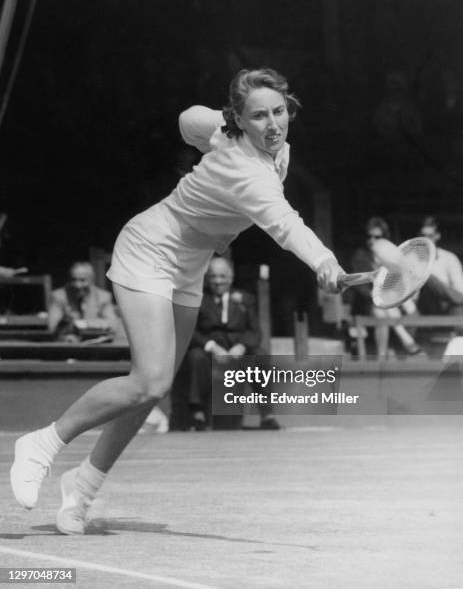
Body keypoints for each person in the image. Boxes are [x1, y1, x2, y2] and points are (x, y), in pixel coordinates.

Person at [10, 67, 343, 535]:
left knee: (155, 385)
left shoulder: (264, 148)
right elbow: (285, 224)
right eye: (258, 116)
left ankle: (81, 488)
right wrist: (324, 261)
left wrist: (205, 124)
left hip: (189, 266)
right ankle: (42, 443)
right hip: (148, 249)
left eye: (279, 111)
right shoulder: (248, 172)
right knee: (148, 380)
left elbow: (189, 122)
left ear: (289, 108)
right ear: (240, 120)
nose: (272, 124)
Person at [186, 255, 279, 430]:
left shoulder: (245, 298)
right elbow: (191, 331)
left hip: (238, 350)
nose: (218, 281)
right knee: (195, 357)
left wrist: (242, 346)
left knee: (260, 357)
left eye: (222, 277)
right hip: (210, 350)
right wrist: (212, 348)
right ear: (207, 278)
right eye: (214, 277)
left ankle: (267, 415)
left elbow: (255, 331)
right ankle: (197, 415)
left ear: (231, 278)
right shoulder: (198, 299)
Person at [350, 217, 420, 358]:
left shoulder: (391, 255)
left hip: (389, 301)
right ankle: (402, 343)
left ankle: (392, 353)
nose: (372, 240)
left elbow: (399, 282)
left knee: (400, 308)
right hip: (367, 303)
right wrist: (378, 296)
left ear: (385, 238)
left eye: (377, 237)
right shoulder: (360, 256)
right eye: (369, 236)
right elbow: (360, 287)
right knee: (381, 312)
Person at [48, 261, 118, 342]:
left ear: (92, 280)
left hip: (96, 345)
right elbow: (52, 326)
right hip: (67, 345)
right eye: (74, 280)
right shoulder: (58, 296)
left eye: (82, 280)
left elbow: (113, 325)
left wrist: (84, 323)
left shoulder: (103, 296)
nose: (77, 285)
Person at [417, 216, 463, 315]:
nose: (426, 239)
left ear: (437, 236)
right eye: (423, 235)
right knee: (427, 278)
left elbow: (459, 291)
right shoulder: (413, 259)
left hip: (447, 303)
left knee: (459, 308)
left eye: (430, 236)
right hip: (422, 304)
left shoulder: (449, 258)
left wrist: (440, 287)